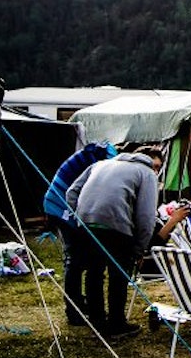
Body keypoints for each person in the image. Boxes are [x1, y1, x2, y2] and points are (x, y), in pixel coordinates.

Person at [66, 145, 163, 339]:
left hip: (85, 224)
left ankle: (96, 320)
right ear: (150, 162)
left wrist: (77, 216)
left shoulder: (101, 164)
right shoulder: (146, 173)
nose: (157, 170)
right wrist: (139, 250)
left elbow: (71, 193)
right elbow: (146, 216)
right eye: (157, 166)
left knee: (94, 273)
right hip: (116, 225)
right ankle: (116, 324)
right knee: (118, 275)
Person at [42, 141, 116, 325]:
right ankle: (74, 312)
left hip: (64, 201)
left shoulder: (104, 152)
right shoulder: (106, 159)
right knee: (75, 260)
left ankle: (80, 306)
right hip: (61, 204)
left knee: (83, 259)